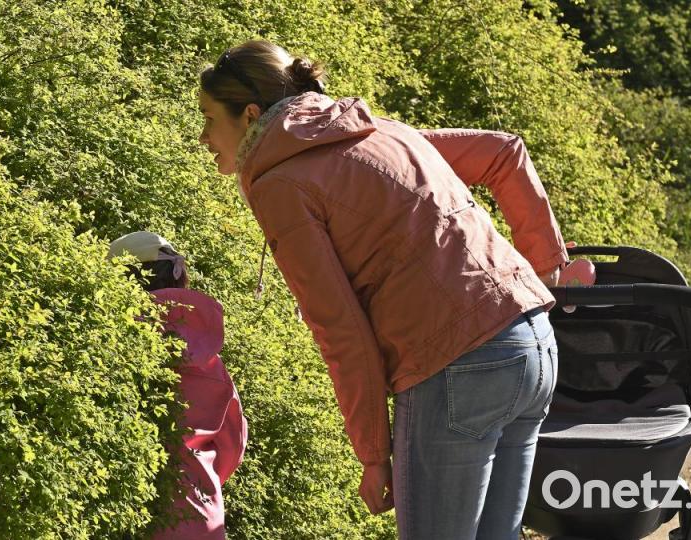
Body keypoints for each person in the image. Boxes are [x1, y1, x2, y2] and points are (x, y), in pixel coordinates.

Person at [197, 40, 569, 539]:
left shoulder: (281, 184)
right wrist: (546, 271)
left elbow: (341, 330)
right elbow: (504, 152)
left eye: (207, 117)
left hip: (460, 367)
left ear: (248, 115)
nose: (202, 137)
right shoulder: (383, 130)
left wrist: (373, 455)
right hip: (534, 342)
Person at [108, 231, 247, 540]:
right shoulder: (209, 359)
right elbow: (233, 444)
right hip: (198, 517)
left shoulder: (107, 345)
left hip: (122, 512)